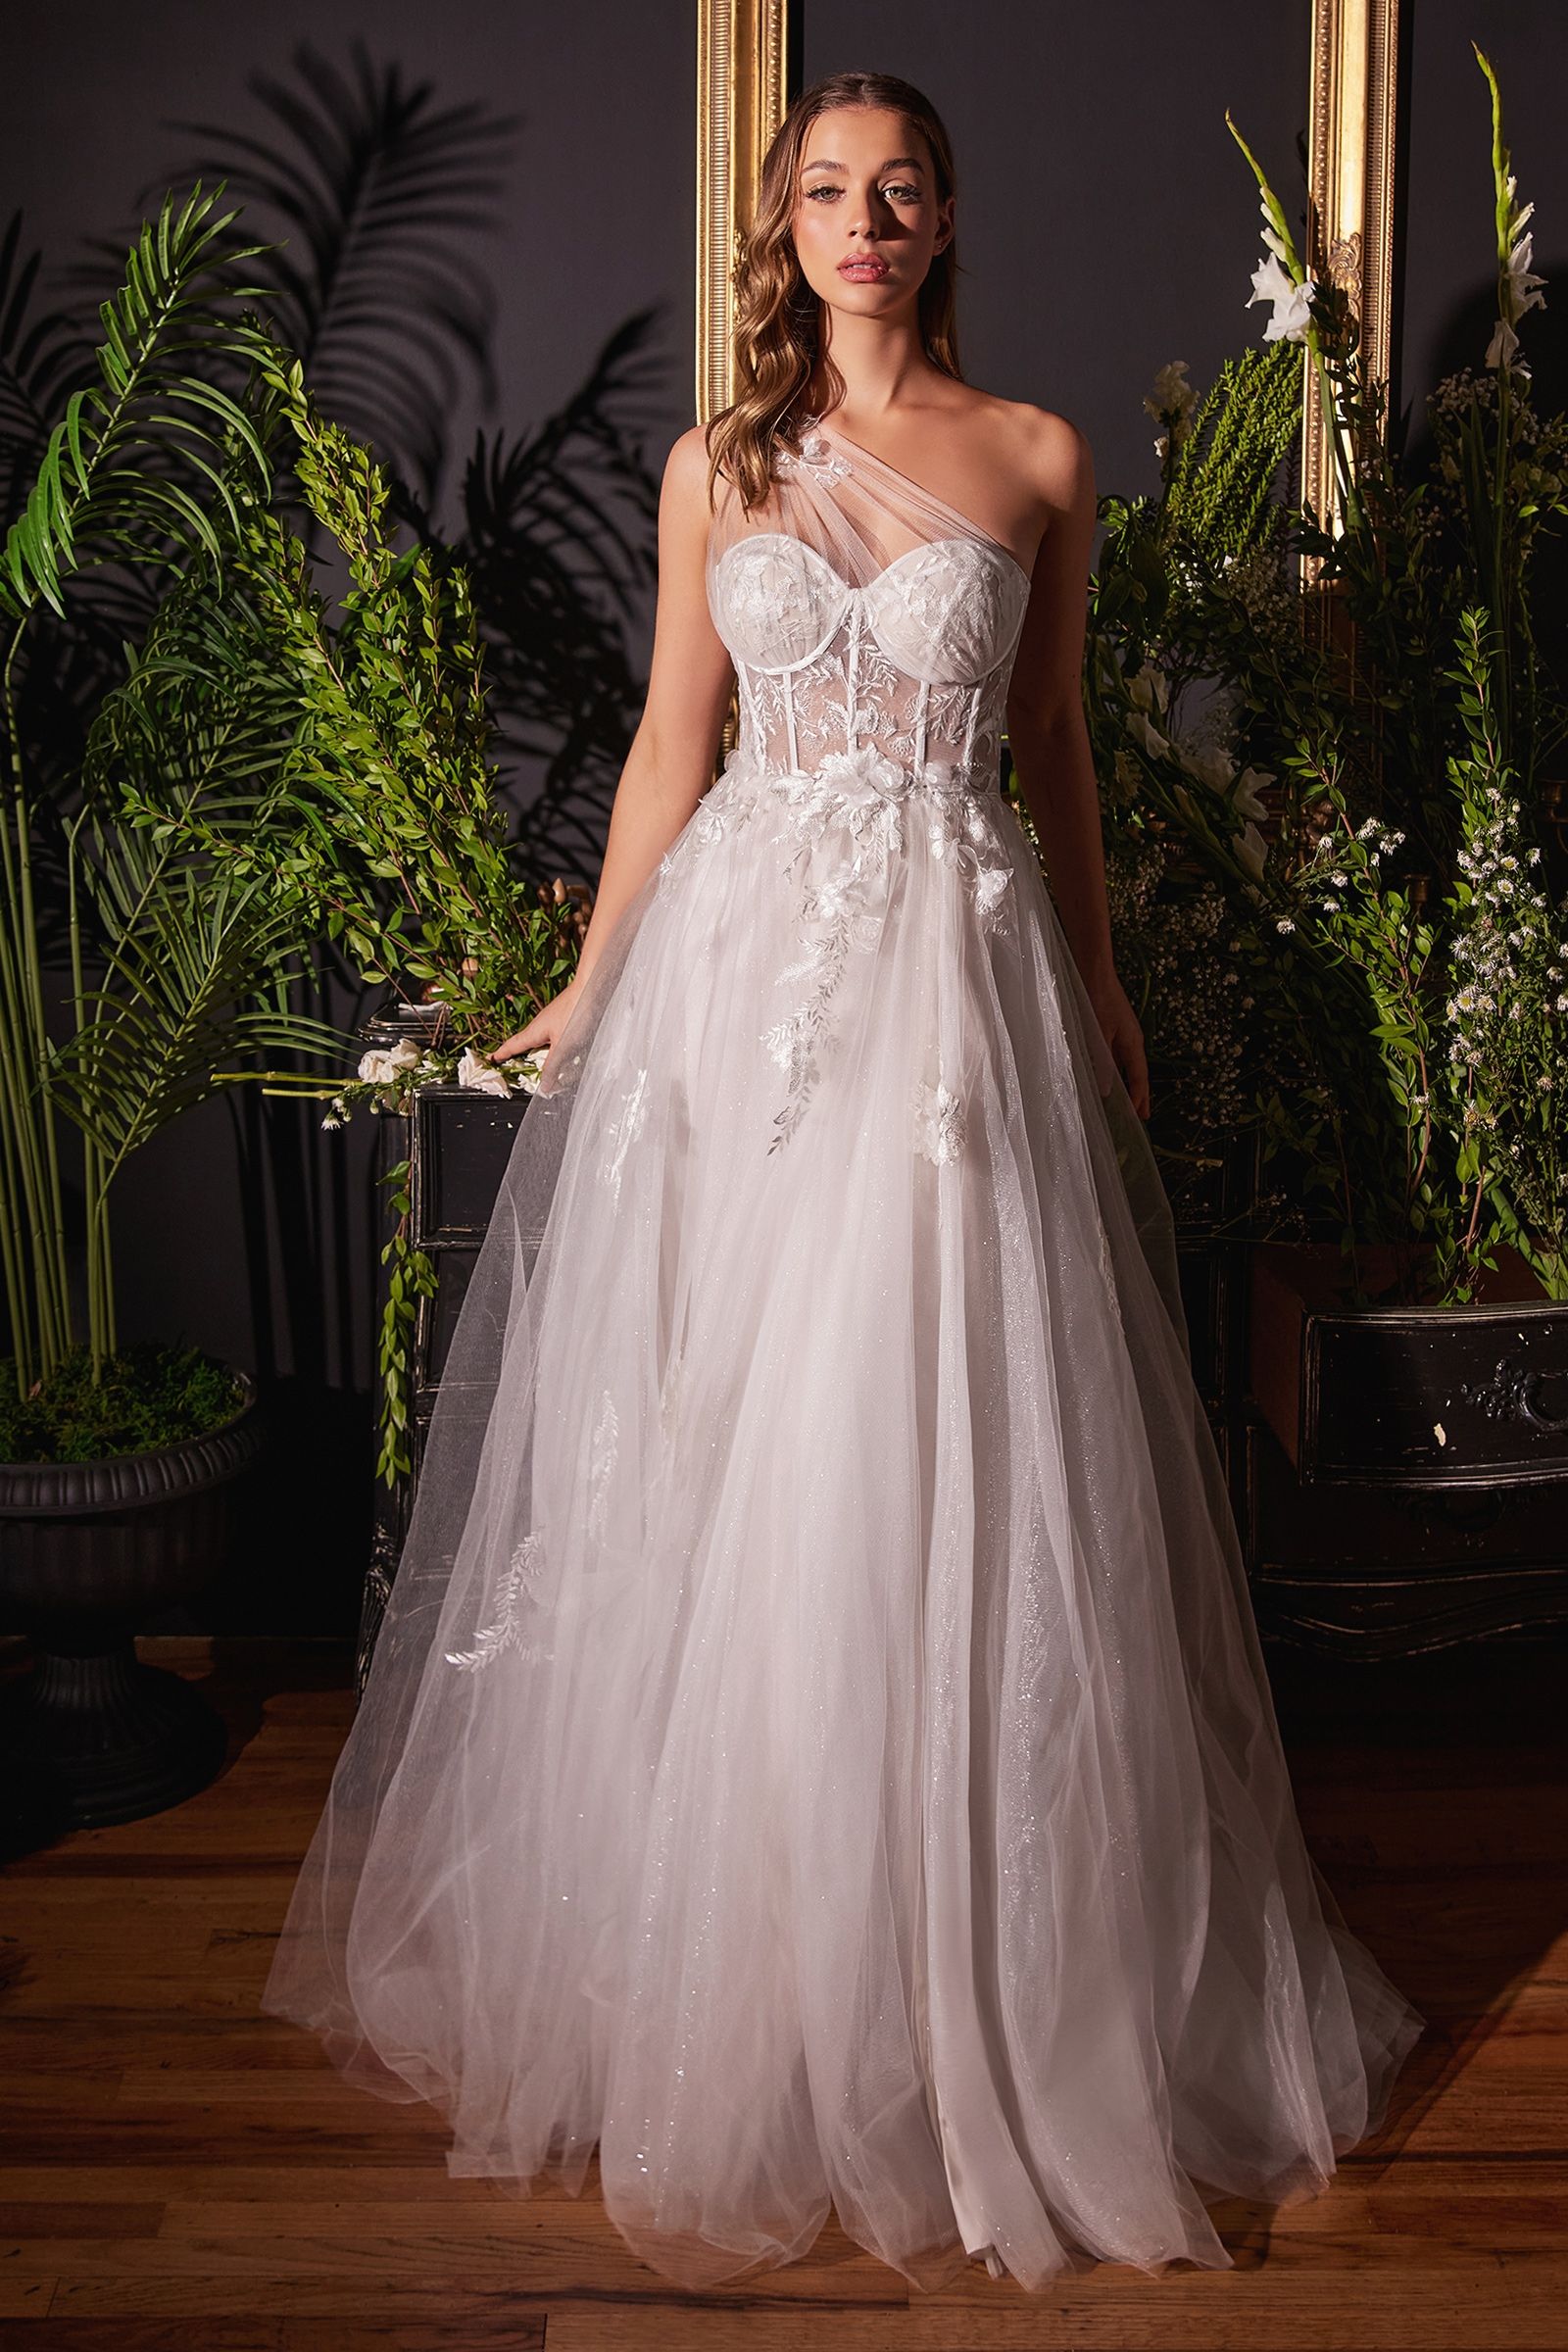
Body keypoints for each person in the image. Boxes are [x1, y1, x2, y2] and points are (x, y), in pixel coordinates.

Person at [263, 69, 1425, 2295]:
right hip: (740, 989)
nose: (863, 220)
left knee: (940, 1428)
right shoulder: (719, 465)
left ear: (943, 217)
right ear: (785, 226)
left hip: (948, 1000)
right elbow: (668, 744)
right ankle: (746, 1976)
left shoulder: (1038, 456)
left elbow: (1054, 747)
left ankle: (964, 1965)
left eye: (897, 190)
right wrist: (590, 985)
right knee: (731, 1450)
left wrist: (1102, 982)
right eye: (827, 190)